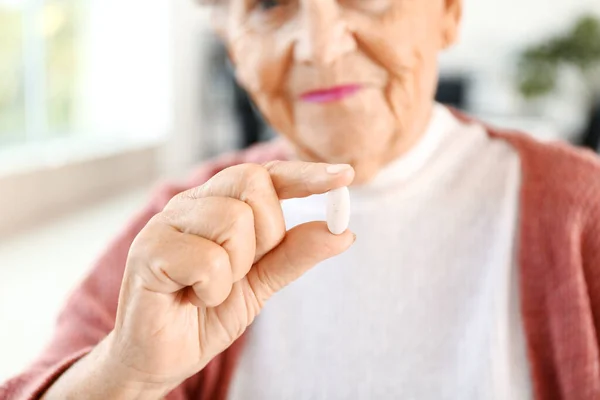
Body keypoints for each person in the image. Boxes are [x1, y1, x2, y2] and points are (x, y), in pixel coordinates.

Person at [2, 0, 600, 399]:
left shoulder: (582, 210)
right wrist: (126, 372)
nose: (320, 45)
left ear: (447, 11)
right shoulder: (179, 228)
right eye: (267, 1)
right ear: (233, 46)